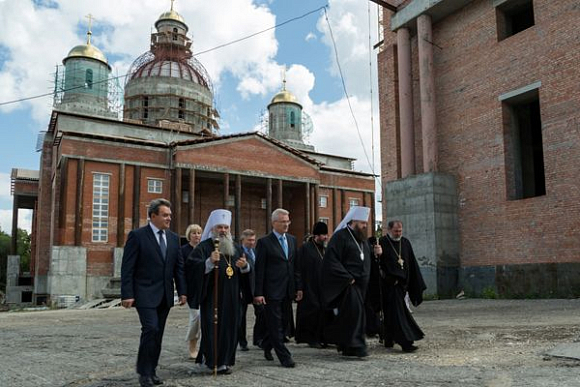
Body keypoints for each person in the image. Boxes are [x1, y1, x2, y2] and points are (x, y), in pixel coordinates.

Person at [121, 198, 187, 387]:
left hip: (165, 295)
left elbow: (178, 268)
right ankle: (143, 372)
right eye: (165, 215)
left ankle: (152, 370)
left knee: (158, 334)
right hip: (144, 293)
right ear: (153, 216)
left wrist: (182, 291)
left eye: (170, 215)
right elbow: (127, 268)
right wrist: (127, 293)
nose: (169, 218)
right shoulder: (137, 236)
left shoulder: (174, 238)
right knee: (151, 329)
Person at [187, 209, 251, 375]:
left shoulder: (236, 248)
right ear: (213, 229)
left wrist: (245, 267)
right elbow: (191, 267)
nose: (223, 231)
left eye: (226, 228)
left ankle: (225, 361)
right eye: (219, 227)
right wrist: (208, 262)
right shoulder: (204, 247)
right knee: (212, 329)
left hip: (232, 298)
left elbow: (248, 270)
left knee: (230, 329)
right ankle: (212, 361)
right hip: (211, 297)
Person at [320, 206, 382, 358]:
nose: (365, 226)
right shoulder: (340, 237)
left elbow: (365, 260)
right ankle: (357, 345)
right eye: (362, 223)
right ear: (353, 221)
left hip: (362, 285)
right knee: (356, 314)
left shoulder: (362, 240)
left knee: (351, 315)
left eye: (366, 223)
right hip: (347, 284)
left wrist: (376, 255)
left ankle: (347, 346)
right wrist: (347, 277)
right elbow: (331, 260)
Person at [254, 208, 302, 368]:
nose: (286, 224)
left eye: (288, 221)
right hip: (271, 291)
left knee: (283, 323)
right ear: (274, 223)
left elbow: (295, 266)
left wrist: (298, 287)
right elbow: (259, 269)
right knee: (275, 324)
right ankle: (284, 357)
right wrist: (258, 293)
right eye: (283, 221)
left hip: (288, 290)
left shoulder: (292, 240)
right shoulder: (264, 242)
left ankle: (267, 344)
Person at [374, 220, 426, 352]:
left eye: (400, 231)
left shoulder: (405, 242)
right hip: (388, 285)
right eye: (396, 231)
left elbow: (411, 263)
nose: (398, 233)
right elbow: (377, 264)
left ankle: (389, 339)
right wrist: (376, 254)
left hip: (402, 285)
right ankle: (406, 342)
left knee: (392, 313)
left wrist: (413, 283)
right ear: (389, 230)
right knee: (398, 314)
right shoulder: (382, 242)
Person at [295, 221, 329, 348]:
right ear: (316, 235)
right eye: (323, 235)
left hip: (322, 287)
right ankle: (311, 338)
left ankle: (321, 337)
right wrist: (299, 287)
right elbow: (298, 268)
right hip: (308, 286)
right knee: (311, 313)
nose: (326, 237)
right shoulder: (305, 248)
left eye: (326, 234)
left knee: (322, 312)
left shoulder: (325, 248)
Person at [181, 224, 202, 360]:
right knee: (196, 318)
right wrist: (183, 291)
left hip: (204, 288)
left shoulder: (204, 249)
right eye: (194, 233)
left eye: (199, 233)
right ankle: (192, 344)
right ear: (189, 235)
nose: (196, 235)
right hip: (191, 289)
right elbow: (181, 272)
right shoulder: (183, 250)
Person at [238, 229, 256, 351]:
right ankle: (242, 341)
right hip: (242, 288)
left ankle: (258, 338)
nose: (252, 242)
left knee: (261, 313)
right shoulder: (238, 252)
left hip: (255, 288)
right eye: (249, 240)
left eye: (253, 240)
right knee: (241, 316)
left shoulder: (255, 252)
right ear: (242, 240)